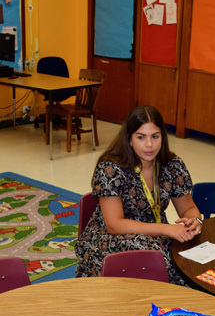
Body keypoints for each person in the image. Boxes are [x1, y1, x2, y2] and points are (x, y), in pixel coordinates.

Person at [75, 105, 203, 285]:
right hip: (110, 238)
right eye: (141, 137)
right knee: (158, 263)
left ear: (162, 137)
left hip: (155, 234)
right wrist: (166, 229)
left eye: (155, 137)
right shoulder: (110, 168)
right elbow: (115, 225)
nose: (149, 145)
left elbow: (188, 208)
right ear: (129, 139)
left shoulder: (172, 165)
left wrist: (194, 221)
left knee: (189, 262)